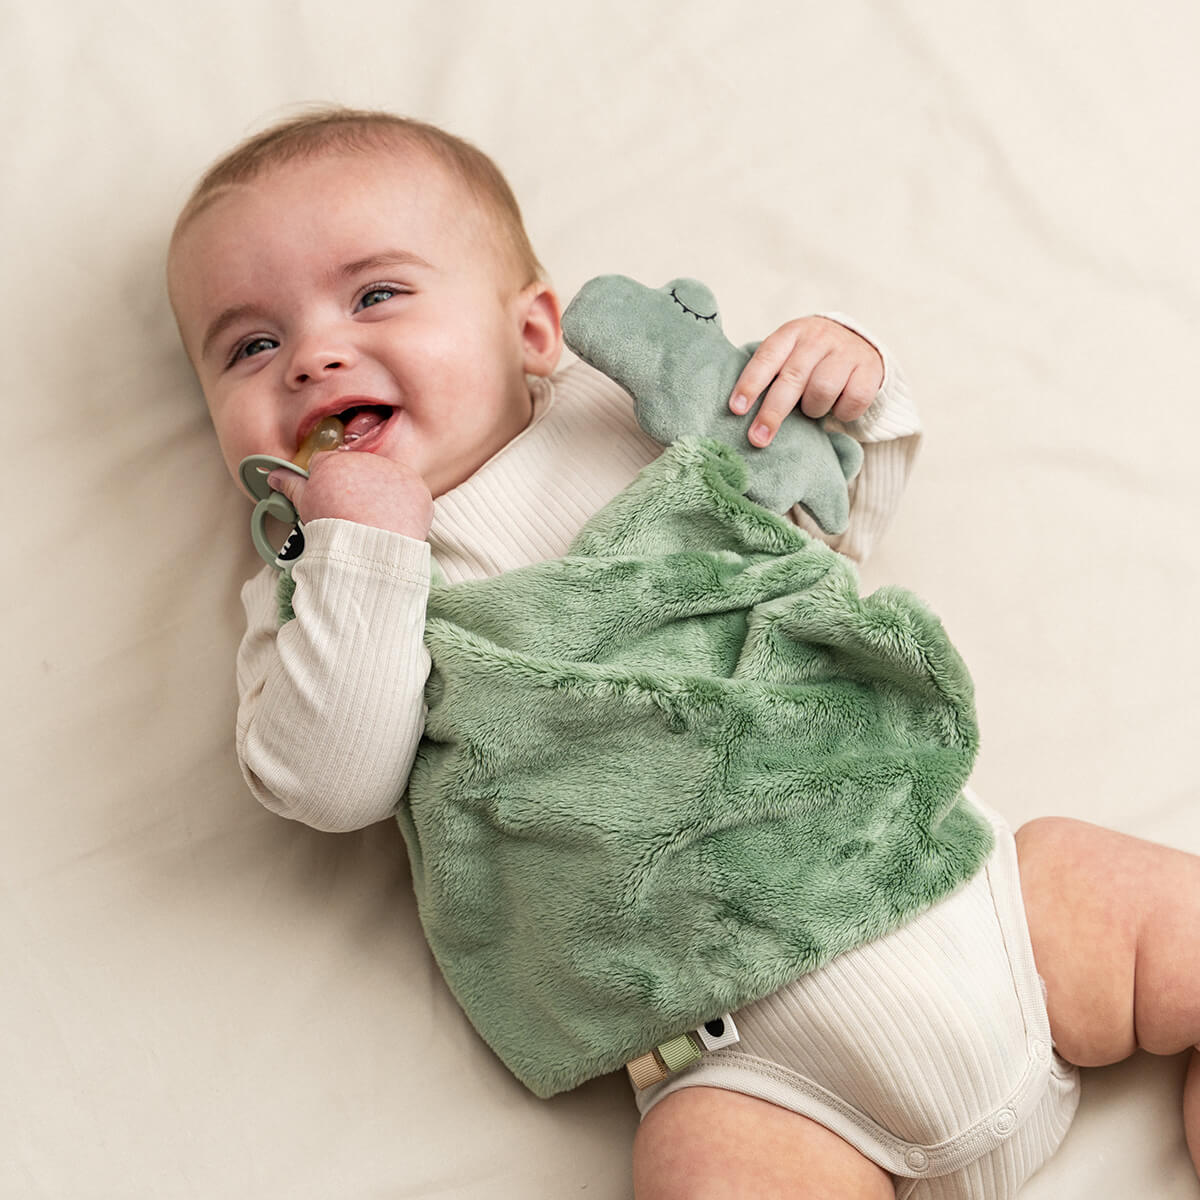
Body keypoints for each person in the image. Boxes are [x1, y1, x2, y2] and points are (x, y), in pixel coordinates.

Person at [167, 106, 1200, 1199]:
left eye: (375, 294)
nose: (314, 357)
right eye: (250, 346)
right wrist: (364, 550)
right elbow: (335, 781)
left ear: (532, 333)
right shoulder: (315, 591)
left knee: (1129, 899)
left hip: (977, 904)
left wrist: (845, 376)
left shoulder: (634, 411)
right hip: (754, 1074)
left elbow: (836, 511)